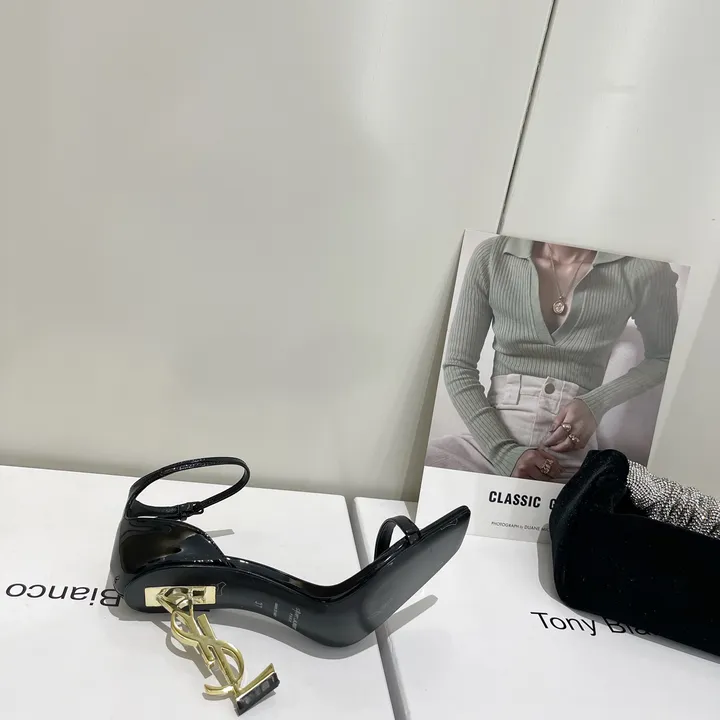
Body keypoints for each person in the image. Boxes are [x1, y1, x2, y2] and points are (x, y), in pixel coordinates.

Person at [425, 235, 679, 482]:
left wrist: (596, 404)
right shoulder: (493, 255)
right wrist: (503, 452)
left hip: (569, 454)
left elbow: (667, 356)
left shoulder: (643, 269)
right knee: (425, 469)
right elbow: (458, 366)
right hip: (487, 445)